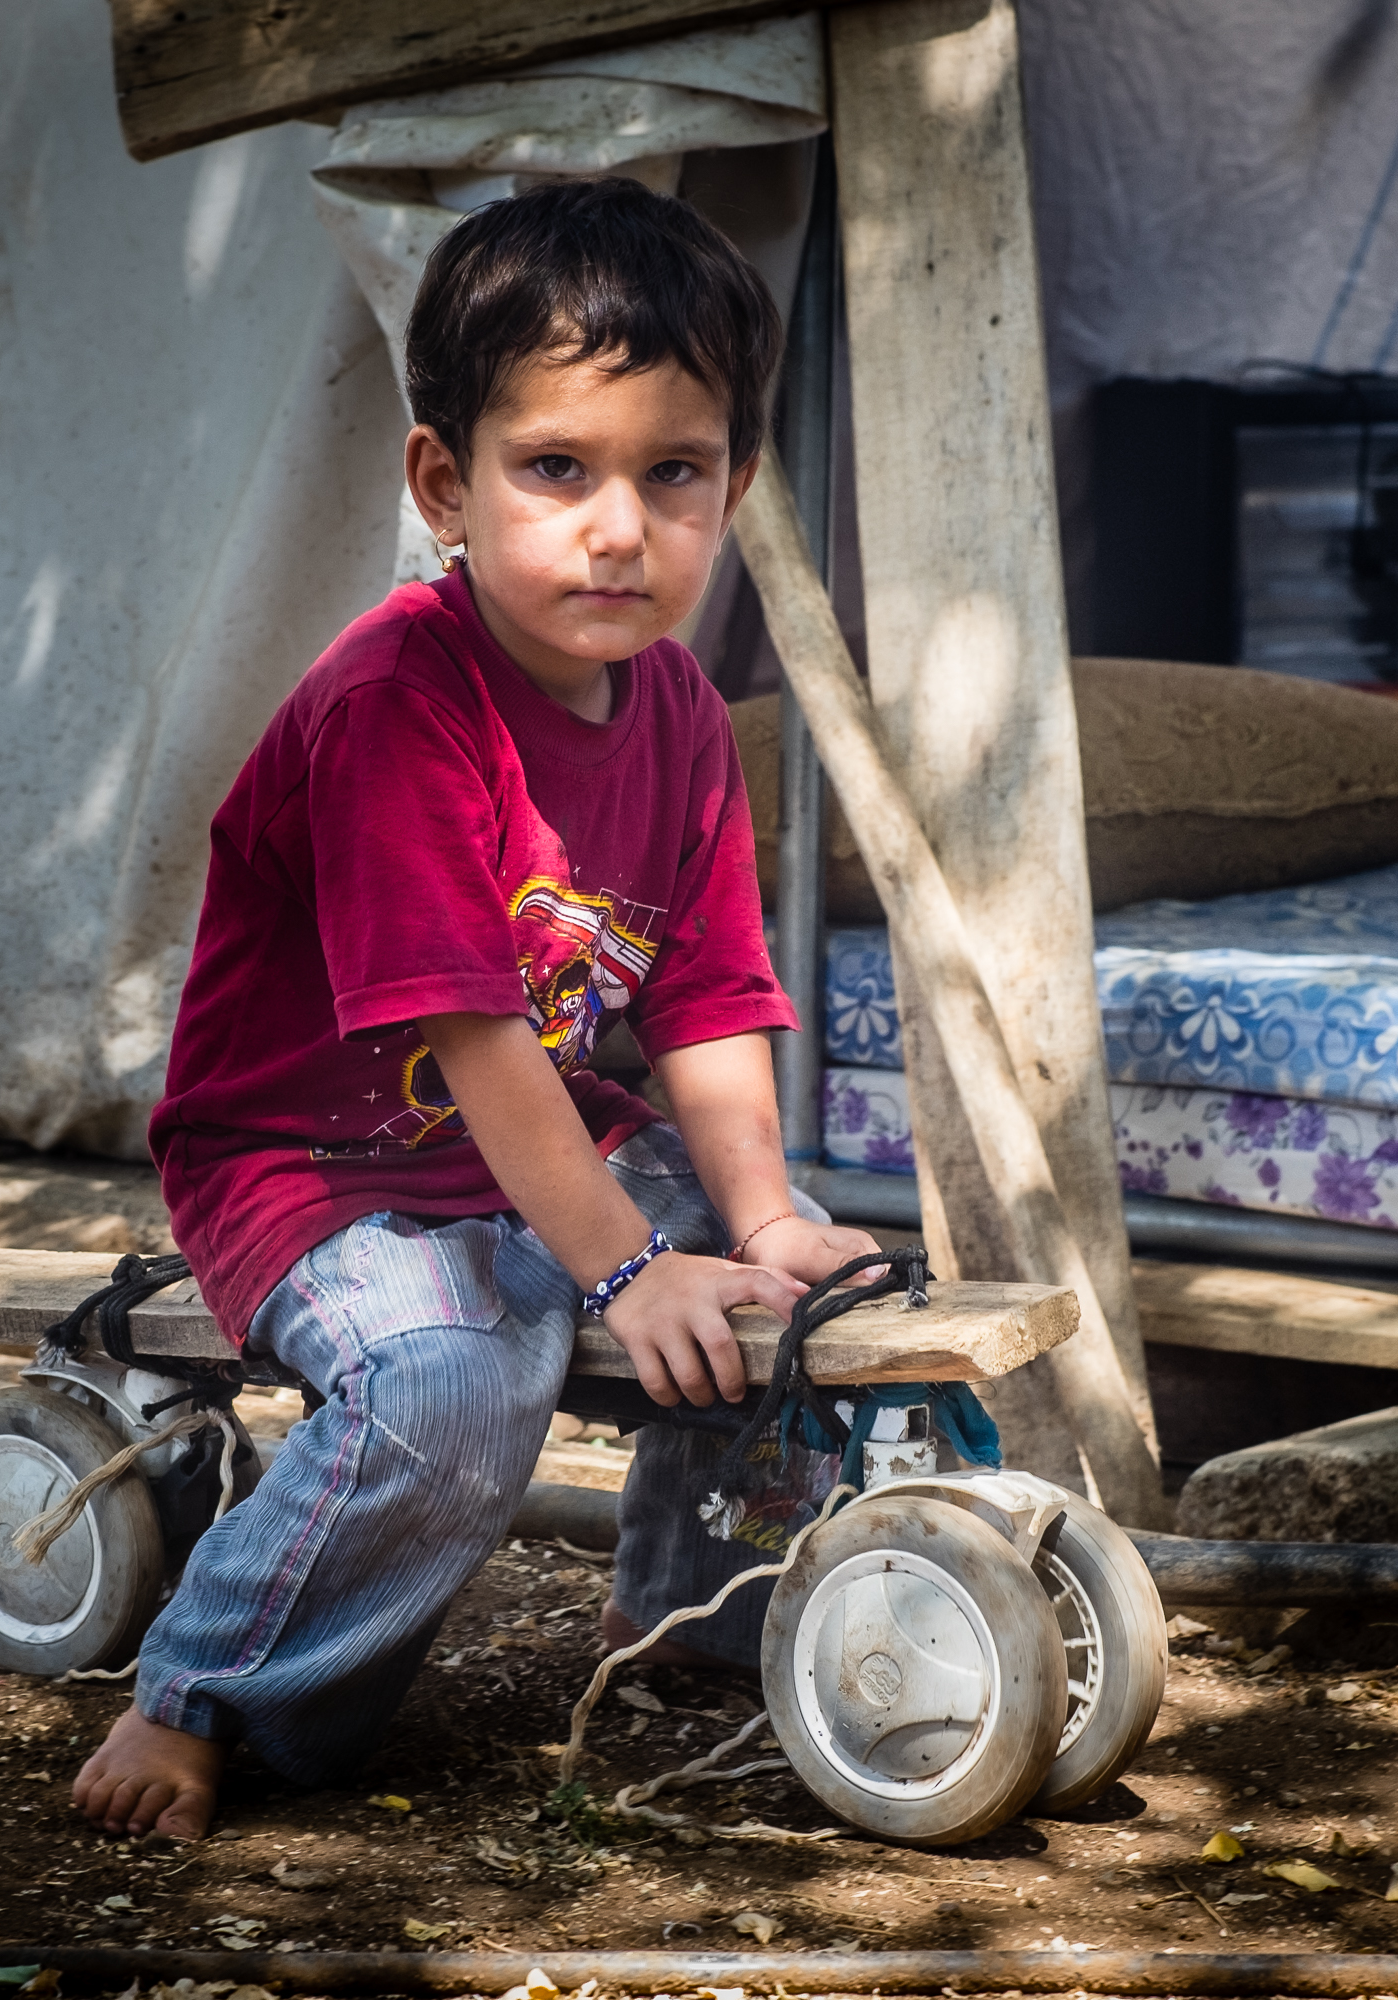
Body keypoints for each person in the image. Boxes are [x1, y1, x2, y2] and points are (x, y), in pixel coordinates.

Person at [71, 177, 880, 1841]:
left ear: (734, 483)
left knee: (809, 1301)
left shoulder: (684, 717)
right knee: (453, 1387)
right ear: (447, 481)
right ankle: (207, 1690)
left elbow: (709, 999)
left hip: (541, 1149)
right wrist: (628, 1262)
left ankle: (694, 1619)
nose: (618, 527)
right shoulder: (394, 706)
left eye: (675, 473)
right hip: (316, 1164)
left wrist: (762, 1213)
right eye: (557, 469)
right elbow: (474, 1031)